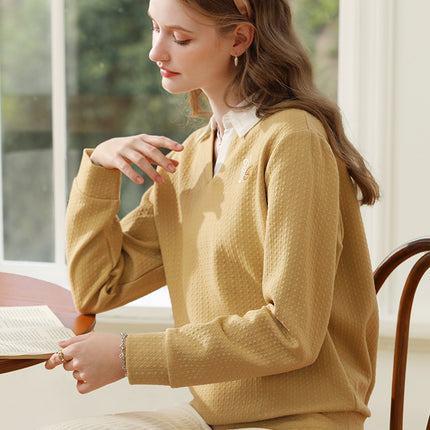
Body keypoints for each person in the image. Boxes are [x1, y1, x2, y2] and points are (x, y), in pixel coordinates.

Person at [44, 0, 380, 429]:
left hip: (301, 416)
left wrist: (129, 356)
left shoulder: (294, 141)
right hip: (211, 414)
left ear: (239, 39)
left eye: (180, 37)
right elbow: (97, 288)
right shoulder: (193, 158)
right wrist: (98, 170)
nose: (156, 52)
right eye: (154, 28)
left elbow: (291, 334)